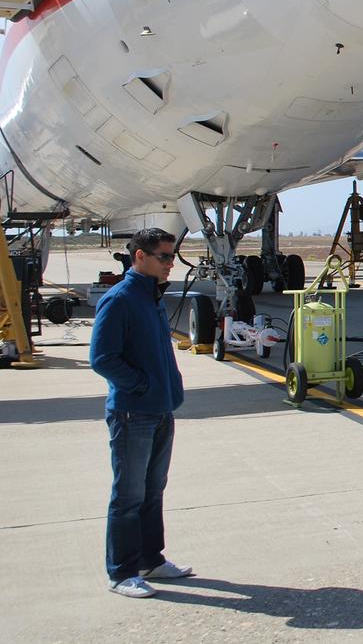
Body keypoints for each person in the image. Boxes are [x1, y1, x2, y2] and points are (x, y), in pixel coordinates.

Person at [90, 228, 192, 598]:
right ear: (140, 257)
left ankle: (151, 559)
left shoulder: (151, 297)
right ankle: (121, 572)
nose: (171, 265)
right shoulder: (120, 299)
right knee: (129, 496)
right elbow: (102, 359)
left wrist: (168, 388)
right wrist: (143, 386)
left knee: (153, 491)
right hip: (133, 413)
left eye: (172, 257)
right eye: (164, 257)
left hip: (161, 410)